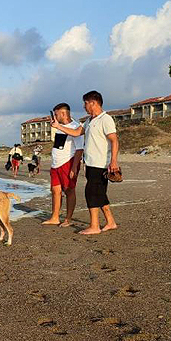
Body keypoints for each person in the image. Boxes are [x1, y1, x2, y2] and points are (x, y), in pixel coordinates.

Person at [52, 90, 119, 235]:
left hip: (101, 164)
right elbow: (76, 133)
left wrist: (114, 161)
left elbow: (114, 140)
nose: (84, 106)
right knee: (100, 194)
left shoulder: (105, 119)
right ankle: (111, 222)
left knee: (91, 193)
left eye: (86, 103)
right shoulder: (89, 121)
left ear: (93, 103)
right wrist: (58, 127)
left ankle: (94, 226)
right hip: (90, 164)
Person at [42, 103, 84, 227]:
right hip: (55, 164)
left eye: (56, 114)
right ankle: (55, 217)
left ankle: (68, 219)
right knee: (55, 190)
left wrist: (74, 167)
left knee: (69, 190)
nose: (54, 116)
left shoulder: (76, 127)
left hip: (68, 162)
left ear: (63, 113)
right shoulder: (60, 127)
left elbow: (79, 149)